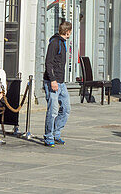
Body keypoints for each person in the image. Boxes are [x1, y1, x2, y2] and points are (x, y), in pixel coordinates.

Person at [43, 20, 73, 148]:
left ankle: (56, 132)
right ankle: (48, 136)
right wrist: (53, 80)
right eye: (70, 31)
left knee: (66, 109)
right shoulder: (55, 43)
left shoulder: (63, 43)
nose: (70, 33)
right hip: (53, 81)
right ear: (67, 31)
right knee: (53, 110)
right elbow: (49, 63)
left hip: (61, 82)